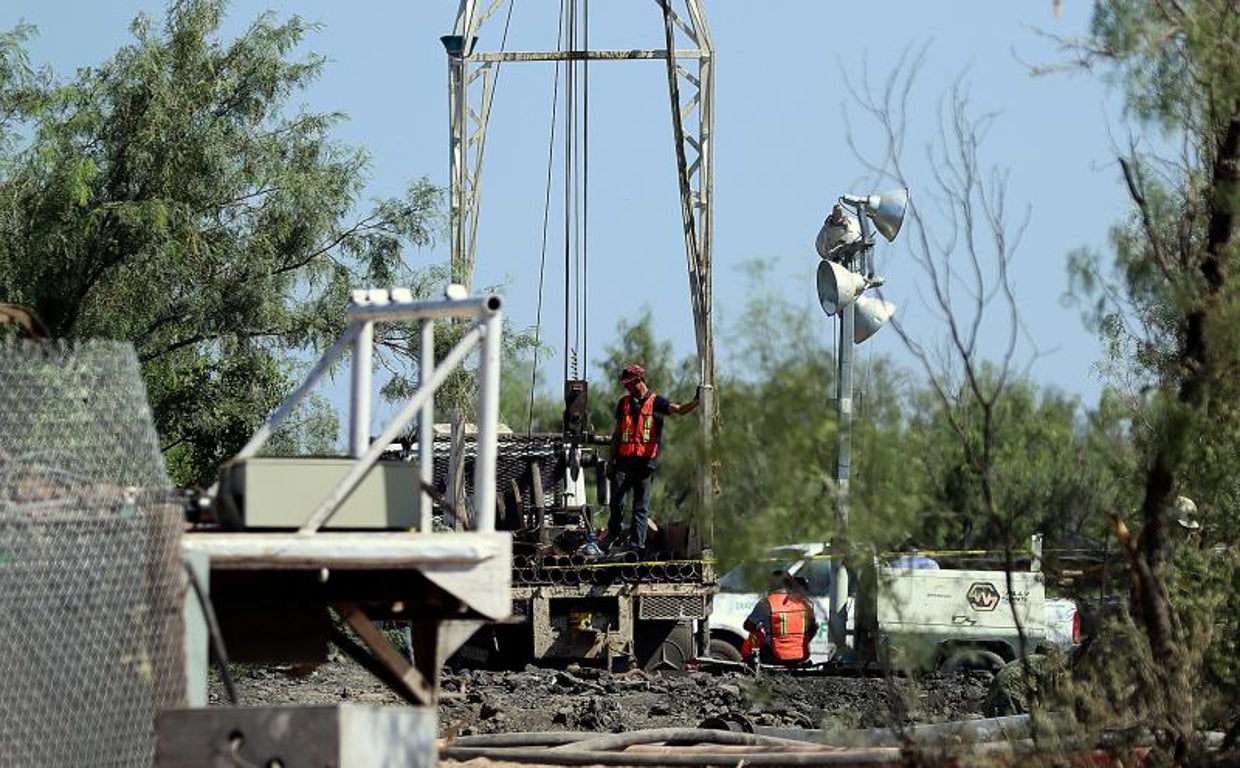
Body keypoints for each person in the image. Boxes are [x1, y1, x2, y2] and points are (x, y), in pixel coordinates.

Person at [604, 363, 699, 553]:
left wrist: (696, 401)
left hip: (645, 463)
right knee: (617, 502)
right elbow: (617, 434)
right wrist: (610, 460)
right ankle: (613, 532)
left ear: (639, 380)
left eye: (629, 383)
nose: (626, 388)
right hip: (623, 462)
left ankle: (637, 545)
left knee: (641, 506)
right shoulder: (623, 404)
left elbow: (678, 409)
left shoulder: (657, 402)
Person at [742, 570, 819, 665]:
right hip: (801, 656)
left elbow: (748, 626)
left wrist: (760, 630)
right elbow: (813, 628)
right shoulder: (805, 603)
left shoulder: (766, 603)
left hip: (774, 656)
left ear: (772, 585)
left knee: (748, 658)